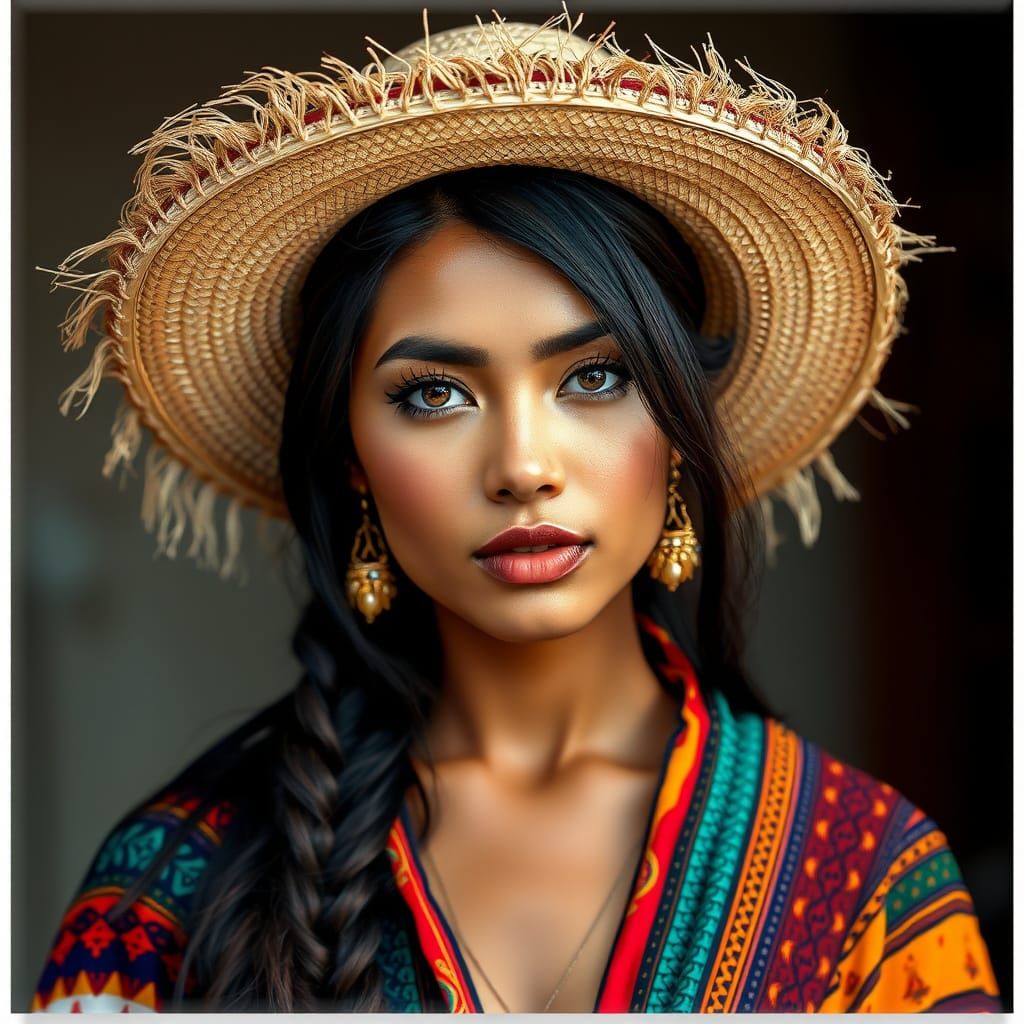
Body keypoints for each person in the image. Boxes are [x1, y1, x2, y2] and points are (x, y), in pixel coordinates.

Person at [32, 13, 1000, 1014]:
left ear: (677, 423)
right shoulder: (169, 888)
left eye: (594, 375)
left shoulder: (862, 882)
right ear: (349, 457)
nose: (523, 466)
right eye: (433, 395)